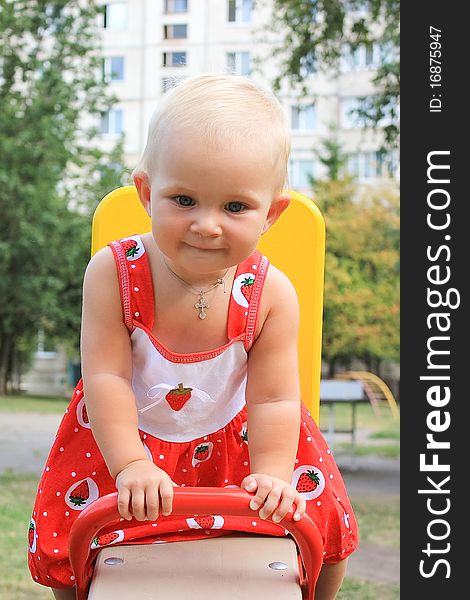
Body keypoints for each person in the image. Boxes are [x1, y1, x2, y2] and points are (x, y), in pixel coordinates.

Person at [28, 73, 358, 600]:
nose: (207, 225)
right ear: (146, 192)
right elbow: (107, 376)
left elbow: (275, 398)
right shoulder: (112, 274)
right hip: (124, 437)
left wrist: (271, 476)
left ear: (271, 214)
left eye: (234, 207)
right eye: (183, 199)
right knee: (72, 526)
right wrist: (132, 463)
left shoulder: (271, 293)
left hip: (241, 441)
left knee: (322, 517)